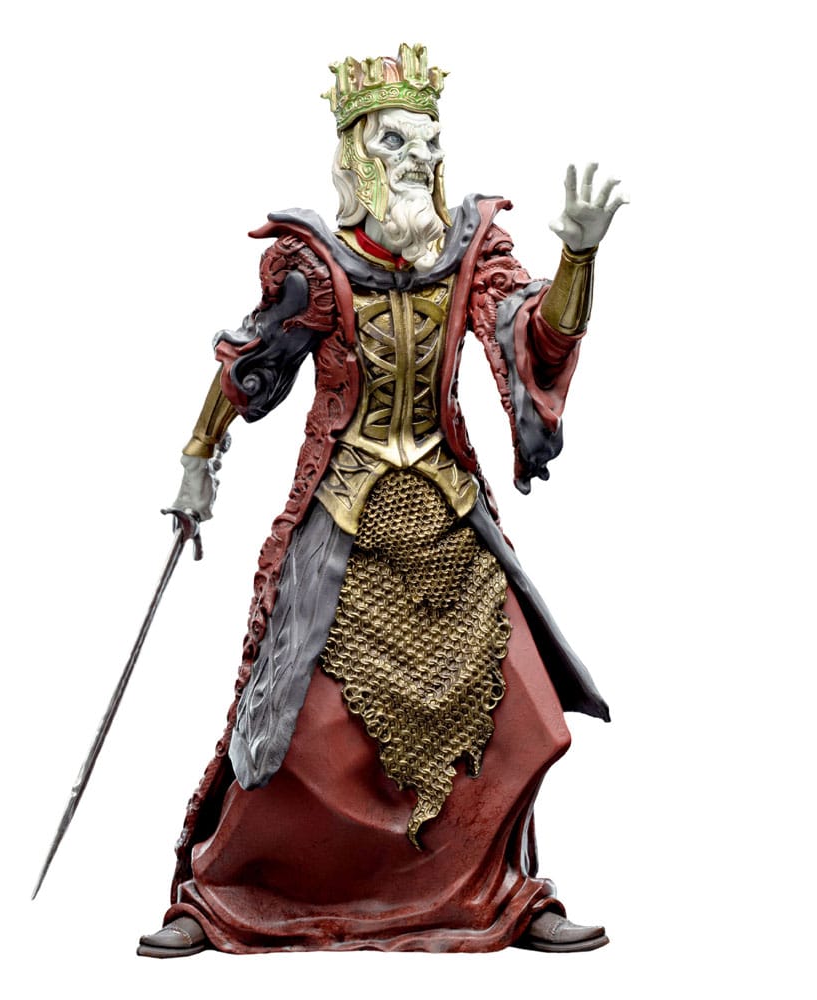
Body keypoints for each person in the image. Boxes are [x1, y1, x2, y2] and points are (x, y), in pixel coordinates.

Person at [138, 43, 625, 958]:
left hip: (448, 514)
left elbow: (536, 338)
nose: (418, 159)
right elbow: (252, 363)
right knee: (298, 729)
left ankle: (501, 890)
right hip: (348, 516)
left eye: (428, 143)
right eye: (396, 142)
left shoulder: (470, 253)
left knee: (519, 711)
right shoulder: (314, 265)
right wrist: (198, 456)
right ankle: (228, 889)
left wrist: (580, 259)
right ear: (357, 155)